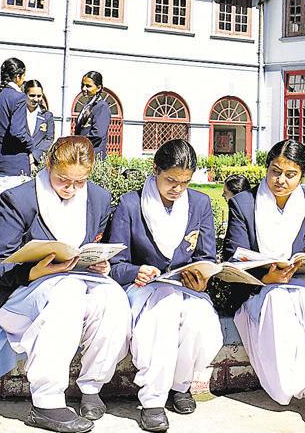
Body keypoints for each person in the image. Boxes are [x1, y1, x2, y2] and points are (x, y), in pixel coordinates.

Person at [0, 136, 132, 433]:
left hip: (78, 282)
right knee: (67, 293)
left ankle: (92, 386)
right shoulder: (19, 199)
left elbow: (96, 249)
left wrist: (101, 264)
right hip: (21, 295)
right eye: (64, 180)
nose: (72, 189)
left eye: (80, 182)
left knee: (114, 297)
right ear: (48, 165)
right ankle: (46, 401)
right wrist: (33, 272)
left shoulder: (99, 199)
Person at [222, 140, 305, 426]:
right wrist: (266, 277)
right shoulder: (243, 204)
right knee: (280, 302)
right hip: (261, 289)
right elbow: (233, 256)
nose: (280, 180)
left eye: (290, 174)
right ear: (267, 168)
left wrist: (301, 264)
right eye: (275, 171)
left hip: (302, 284)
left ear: (302, 176)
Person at [107, 139, 222, 433]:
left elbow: (206, 256)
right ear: (155, 170)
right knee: (166, 308)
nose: (177, 189)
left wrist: (203, 276)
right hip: (145, 289)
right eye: (171, 180)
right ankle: (153, 400)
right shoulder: (130, 205)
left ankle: (180, 384)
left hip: (185, 288)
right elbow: (114, 265)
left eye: (184, 182)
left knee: (200, 321)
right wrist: (136, 271)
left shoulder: (199, 204)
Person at [0, 57, 35, 205]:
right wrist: (31, 145)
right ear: (18, 76)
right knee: (16, 217)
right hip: (14, 167)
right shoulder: (18, 98)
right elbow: (17, 131)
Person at [74, 71, 111, 161]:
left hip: (93, 155)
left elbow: (97, 135)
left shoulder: (101, 106)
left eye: (88, 86)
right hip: (82, 154)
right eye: (82, 85)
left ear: (98, 88)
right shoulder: (87, 105)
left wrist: (77, 144)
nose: (84, 88)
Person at [24, 79, 56, 171]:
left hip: (37, 162)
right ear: (25, 94)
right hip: (19, 159)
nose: (35, 99)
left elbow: (49, 139)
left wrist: (34, 157)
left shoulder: (47, 116)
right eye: (32, 95)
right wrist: (26, 157)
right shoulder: (18, 113)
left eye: (39, 96)